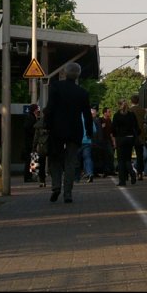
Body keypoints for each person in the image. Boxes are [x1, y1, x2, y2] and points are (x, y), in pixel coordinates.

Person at [44, 62, 93, 203]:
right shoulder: (82, 92)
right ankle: (68, 194)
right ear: (78, 75)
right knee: (71, 162)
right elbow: (87, 115)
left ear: (65, 73)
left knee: (55, 159)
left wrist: (47, 124)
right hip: (74, 131)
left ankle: (56, 187)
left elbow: (50, 108)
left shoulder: (56, 87)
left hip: (56, 130)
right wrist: (89, 131)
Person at [111, 99, 140, 186]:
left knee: (120, 160)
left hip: (121, 139)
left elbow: (113, 129)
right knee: (127, 159)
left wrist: (116, 137)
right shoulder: (131, 115)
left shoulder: (116, 115)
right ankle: (132, 173)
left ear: (119, 105)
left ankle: (122, 181)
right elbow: (136, 127)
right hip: (130, 139)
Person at [128, 94, 147, 180]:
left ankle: (129, 172)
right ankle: (140, 173)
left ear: (131, 101)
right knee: (140, 155)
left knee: (128, 155)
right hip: (140, 136)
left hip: (130, 135)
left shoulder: (128, 111)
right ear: (138, 101)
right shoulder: (143, 111)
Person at [77, 109, 96, 183]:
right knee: (87, 158)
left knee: (77, 159)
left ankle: (76, 176)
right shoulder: (88, 118)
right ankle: (90, 173)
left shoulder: (75, 117)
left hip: (77, 141)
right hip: (87, 141)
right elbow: (94, 130)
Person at [23, 104, 40, 182]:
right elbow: (29, 128)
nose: (38, 110)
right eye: (37, 109)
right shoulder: (31, 117)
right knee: (31, 159)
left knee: (31, 159)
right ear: (34, 110)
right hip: (31, 142)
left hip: (29, 142)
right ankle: (29, 176)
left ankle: (30, 176)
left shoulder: (30, 116)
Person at [32, 109, 49, 187]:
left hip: (41, 146)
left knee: (41, 164)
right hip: (51, 145)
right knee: (53, 163)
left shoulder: (39, 123)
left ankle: (42, 180)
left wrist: (34, 147)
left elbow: (36, 137)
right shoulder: (54, 122)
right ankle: (56, 181)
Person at [101, 107, 116, 176]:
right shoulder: (100, 120)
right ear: (104, 113)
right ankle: (106, 171)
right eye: (108, 112)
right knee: (106, 155)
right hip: (103, 140)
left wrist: (113, 141)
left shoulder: (110, 120)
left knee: (110, 155)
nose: (110, 113)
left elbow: (111, 132)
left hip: (108, 140)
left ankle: (111, 170)